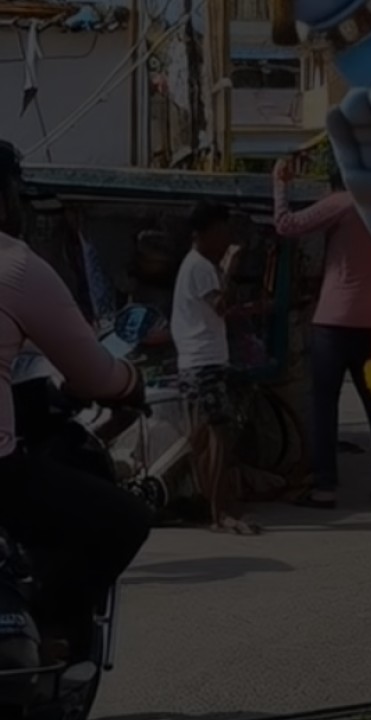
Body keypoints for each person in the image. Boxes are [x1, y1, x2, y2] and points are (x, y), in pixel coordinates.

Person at [0, 139, 151, 661]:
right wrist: (131, 382)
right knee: (124, 519)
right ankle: (50, 628)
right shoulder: (16, 265)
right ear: (3, 200)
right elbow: (93, 373)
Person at [272, 157, 371, 509]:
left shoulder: (343, 202)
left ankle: (325, 487)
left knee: (323, 405)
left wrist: (280, 183)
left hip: (333, 320)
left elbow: (285, 225)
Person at [171, 201, 261, 535]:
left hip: (195, 361)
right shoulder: (202, 267)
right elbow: (220, 304)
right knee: (219, 437)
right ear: (205, 233)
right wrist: (231, 265)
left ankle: (212, 508)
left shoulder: (193, 265)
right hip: (204, 361)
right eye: (222, 231)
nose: (226, 238)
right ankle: (219, 512)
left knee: (203, 438)